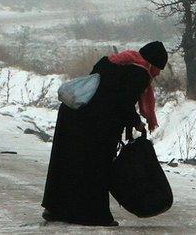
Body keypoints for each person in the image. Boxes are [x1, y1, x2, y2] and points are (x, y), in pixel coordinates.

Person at [42, 42, 168, 226]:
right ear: (153, 64)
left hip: (74, 113)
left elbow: (108, 90)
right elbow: (123, 103)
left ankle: (56, 208)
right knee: (97, 168)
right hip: (94, 123)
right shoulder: (140, 73)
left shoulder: (115, 61)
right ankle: (95, 215)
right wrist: (136, 123)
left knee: (67, 163)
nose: (157, 74)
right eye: (158, 69)